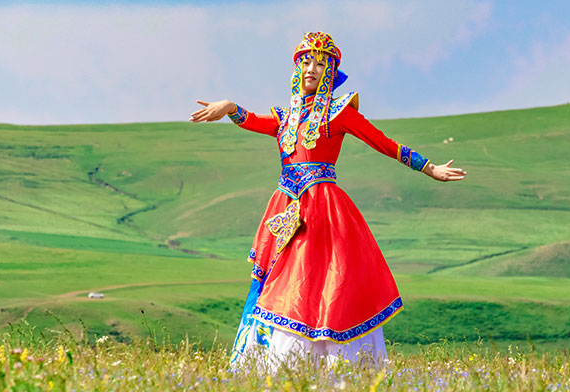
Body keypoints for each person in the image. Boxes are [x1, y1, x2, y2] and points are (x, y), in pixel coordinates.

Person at [190, 32, 466, 368]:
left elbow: (382, 142)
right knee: (279, 280)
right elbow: (254, 121)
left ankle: (326, 360)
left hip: (322, 209)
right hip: (286, 208)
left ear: (330, 71)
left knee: (323, 279)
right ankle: (269, 359)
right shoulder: (285, 117)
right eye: (305, 61)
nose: (311, 68)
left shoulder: (339, 113)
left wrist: (429, 168)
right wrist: (230, 107)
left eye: (320, 63)